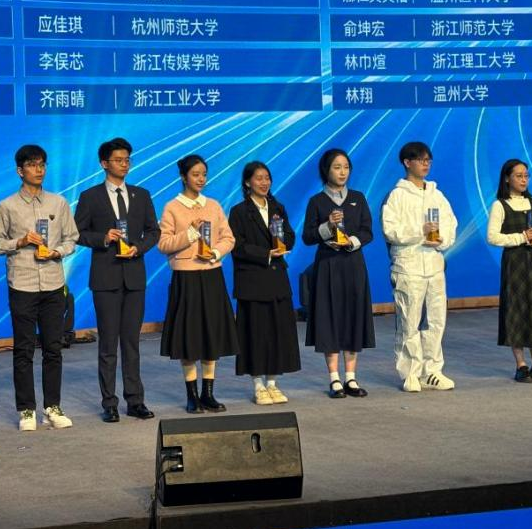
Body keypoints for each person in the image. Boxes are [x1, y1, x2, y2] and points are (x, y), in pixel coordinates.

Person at [74, 137, 160, 423]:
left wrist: (139, 247)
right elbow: (77, 233)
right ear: (104, 163)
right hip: (106, 277)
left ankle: (135, 400)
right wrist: (103, 237)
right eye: (118, 160)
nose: (124, 164)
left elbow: (154, 231)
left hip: (134, 276)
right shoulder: (91, 196)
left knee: (132, 343)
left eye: (127, 160)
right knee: (108, 344)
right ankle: (109, 402)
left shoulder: (141, 195)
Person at [0, 144, 79, 432]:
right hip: (22, 284)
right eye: (32, 165)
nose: (38, 170)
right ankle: (26, 409)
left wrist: (57, 252)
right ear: (20, 171)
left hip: (53, 283)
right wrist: (19, 242)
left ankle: (52, 407)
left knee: (54, 348)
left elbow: (72, 238)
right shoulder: (7, 206)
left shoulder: (58, 203)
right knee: (24, 349)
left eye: (42, 164)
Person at [158, 154, 238, 413]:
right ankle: (192, 395)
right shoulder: (172, 207)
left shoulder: (213, 205)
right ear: (184, 177)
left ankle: (208, 393)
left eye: (204, 174)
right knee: (190, 336)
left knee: (211, 332)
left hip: (211, 274)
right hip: (186, 277)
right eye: (195, 174)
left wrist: (215, 253)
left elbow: (228, 237)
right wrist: (191, 232)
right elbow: (163, 244)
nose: (201, 179)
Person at [381, 142, 458, 392]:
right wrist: (419, 231)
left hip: (434, 265)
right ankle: (410, 373)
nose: (426, 164)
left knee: (436, 320)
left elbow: (451, 225)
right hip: (408, 265)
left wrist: (441, 240)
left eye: (428, 160)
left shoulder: (437, 194)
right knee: (409, 320)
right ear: (407, 162)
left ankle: (432, 371)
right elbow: (390, 230)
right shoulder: (397, 195)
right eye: (421, 160)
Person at [303, 148, 375, 398]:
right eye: (337, 167)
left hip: (353, 264)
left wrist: (352, 242)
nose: (342, 172)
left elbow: (367, 231)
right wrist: (327, 227)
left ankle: (351, 377)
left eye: (346, 167)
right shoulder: (317, 201)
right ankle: (334, 378)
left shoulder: (358, 198)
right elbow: (308, 236)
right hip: (328, 265)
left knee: (353, 315)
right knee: (329, 317)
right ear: (326, 170)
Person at [228, 161, 301, 405]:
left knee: (278, 332)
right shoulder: (239, 212)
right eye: (259, 178)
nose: (264, 182)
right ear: (247, 182)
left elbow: (290, 235)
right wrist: (266, 253)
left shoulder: (277, 207)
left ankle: (272, 383)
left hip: (277, 279)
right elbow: (238, 246)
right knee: (256, 334)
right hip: (252, 281)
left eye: (267, 178)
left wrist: (283, 244)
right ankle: (258, 385)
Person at [485, 159, 532, 383]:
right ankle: (521, 364)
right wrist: (521, 237)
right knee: (516, 309)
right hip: (514, 262)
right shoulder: (500, 205)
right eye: (519, 176)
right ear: (507, 178)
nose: (524, 180)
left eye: (526, 175)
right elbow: (493, 237)